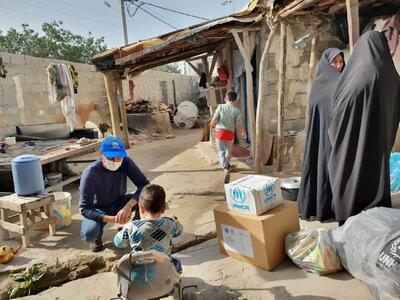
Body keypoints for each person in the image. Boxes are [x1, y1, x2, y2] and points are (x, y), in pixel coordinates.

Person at [328, 31, 400, 225]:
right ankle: (376, 215)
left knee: (349, 173)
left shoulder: (359, 74)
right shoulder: (392, 74)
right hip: (381, 139)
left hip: (353, 139)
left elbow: (341, 109)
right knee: (375, 174)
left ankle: (350, 215)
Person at [297, 48, 345, 222]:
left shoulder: (343, 82)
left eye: (341, 62)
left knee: (333, 170)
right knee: (322, 168)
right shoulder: (319, 85)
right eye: (335, 62)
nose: (339, 66)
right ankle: (321, 208)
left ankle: (333, 207)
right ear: (326, 64)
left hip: (336, 134)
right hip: (321, 136)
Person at [79, 135, 149, 252]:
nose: (116, 161)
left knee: (147, 198)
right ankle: (97, 236)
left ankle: (134, 230)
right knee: (89, 232)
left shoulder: (126, 162)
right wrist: (112, 219)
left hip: (119, 202)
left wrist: (128, 206)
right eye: (111, 158)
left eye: (119, 157)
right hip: (98, 208)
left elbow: (144, 185)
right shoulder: (90, 174)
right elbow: (85, 209)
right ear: (102, 154)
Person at [114, 184, 183, 273]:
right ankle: (173, 283)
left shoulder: (131, 226)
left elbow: (119, 243)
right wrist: (172, 219)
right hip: (163, 270)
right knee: (176, 261)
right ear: (163, 209)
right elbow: (179, 231)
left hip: (139, 272)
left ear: (141, 208)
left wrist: (122, 231)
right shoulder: (171, 223)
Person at [210, 91, 246, 183]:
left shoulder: (220, 107)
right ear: (236, 100)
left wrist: (212, 124)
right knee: (228, 151)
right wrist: (243, 133)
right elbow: (239, 124)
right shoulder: (236, 111)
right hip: (230, 133)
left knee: (221, 150)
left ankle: (224, 168)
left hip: (220, 132)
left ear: (225, 99)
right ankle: (226, 165)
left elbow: (213, 120)